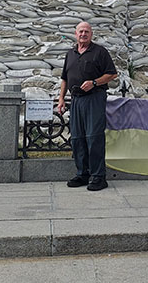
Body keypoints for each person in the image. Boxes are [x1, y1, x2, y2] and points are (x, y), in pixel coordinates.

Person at [57, 21, 117, 191]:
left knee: (94, 137)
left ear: (91, 34)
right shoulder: (71, 54)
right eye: (81, 31)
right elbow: (64, 78)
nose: (83, 34)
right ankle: (82, 173)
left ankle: (98, 176)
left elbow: (112, 74)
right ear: (75, 34)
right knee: (77, 138)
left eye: (87, 32)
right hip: (76, 100)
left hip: (94, 98)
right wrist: (61, 98)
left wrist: (94, 82)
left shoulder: (99, 52)